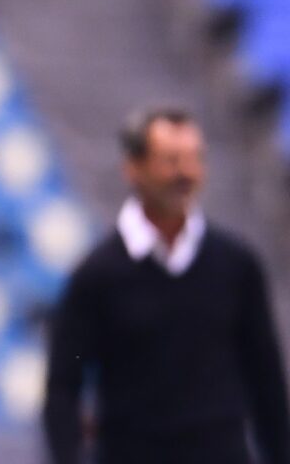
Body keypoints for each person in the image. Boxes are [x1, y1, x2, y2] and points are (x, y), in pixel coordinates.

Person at [43, 106, 290, 464]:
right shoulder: (98, 275)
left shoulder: (236, 266)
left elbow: (266, 380)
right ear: (133, 168)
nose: (186, 173)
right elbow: (64, 385)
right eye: (171, 161)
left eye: (195, 159)